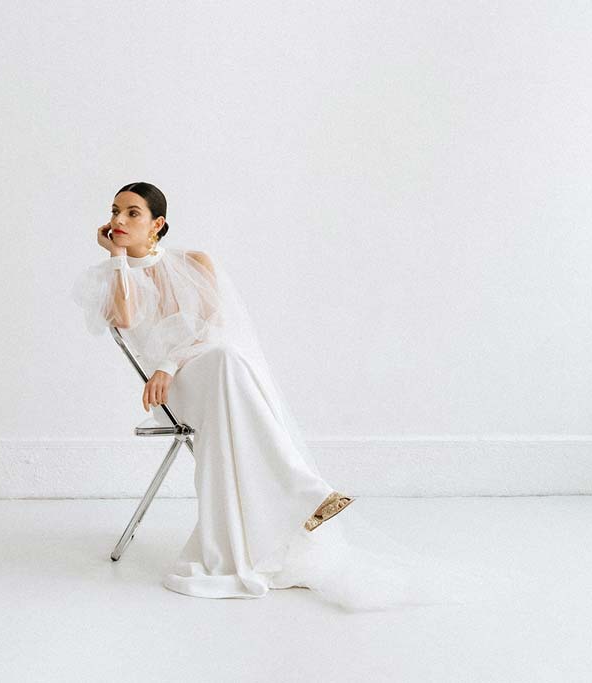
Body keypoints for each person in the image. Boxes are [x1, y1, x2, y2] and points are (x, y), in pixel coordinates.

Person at [71, 182, 487, 611]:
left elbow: (212, 329)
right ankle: (303, 489)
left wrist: (169, 363)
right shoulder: (107, 277)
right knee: (226, 364)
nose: (119, 220)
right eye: (115, 211)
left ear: (157, 223)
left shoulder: (194, 263)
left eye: (132, 213)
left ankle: (295, 493)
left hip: (204, 374)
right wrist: (117, 258)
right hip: (174, 394)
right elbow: (125, 319)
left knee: (227, 357)